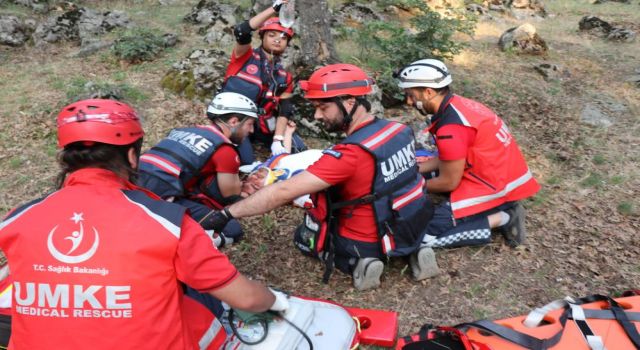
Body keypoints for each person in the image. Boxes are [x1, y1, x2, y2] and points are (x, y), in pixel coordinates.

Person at [0, 99, 288, 349]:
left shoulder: (18, 218)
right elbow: (246, 298)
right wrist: (276, 301)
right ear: (132, 155)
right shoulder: (166, 223)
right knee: (203, 308)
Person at [208, 64, 439, 291]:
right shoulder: (399, 129)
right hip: (409, 222)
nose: (317, 115)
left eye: (323, 107)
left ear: (350, 102)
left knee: (303, 237)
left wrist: (227, 213)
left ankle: (356, 262)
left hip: (368, 235)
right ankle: (413, 249)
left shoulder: (349, 154)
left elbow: (283, 191)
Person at [396, 59, 541, 249]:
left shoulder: (451, 127)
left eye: (411, 95)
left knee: (424, 236)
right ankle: (501, 207)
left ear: (429, 92)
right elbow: (448, 158)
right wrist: (413, 170)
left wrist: (409, 189)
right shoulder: (458, 104)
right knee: (416, 177)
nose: (408, 102)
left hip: (492, 184)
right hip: (497, 173)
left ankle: (503, 217)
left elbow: (449, 182)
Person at [137, 92, 257, 246]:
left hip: (132, 183)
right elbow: (231, 195)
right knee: (231, 229)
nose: (252, 130)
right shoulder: (224, 149)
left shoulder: (184, 130)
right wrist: (248, 189)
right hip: (158, 198)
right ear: (234, 121)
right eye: (250, 124)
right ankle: (175, 243)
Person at [222, 0, 306, 165]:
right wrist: (274, 9)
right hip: (236, 121)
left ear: (287, 43)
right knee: (246, 163)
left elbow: (285, 109)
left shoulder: (284, 76)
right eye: (271, 35)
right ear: (262, 37)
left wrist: (278, 138)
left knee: (299, 149)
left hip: (263, 123)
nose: (277, 40)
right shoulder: (244, 57)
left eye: (282, 37)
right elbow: (242, 31)